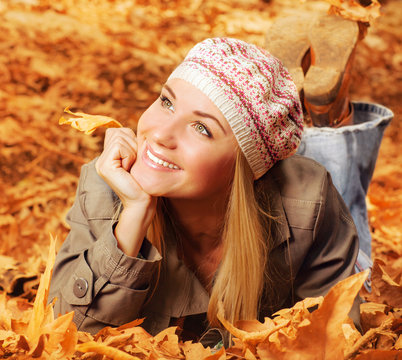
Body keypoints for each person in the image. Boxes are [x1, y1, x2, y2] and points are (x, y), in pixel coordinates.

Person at [48, 37, 360, 347]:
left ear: (244, 165)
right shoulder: (105, 185)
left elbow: (336, 338)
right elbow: (68, 338)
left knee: (351, 203)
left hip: (307, 208)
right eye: (167, 102)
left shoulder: (307, 203)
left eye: (202, 128)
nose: (159, 135)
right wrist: (133, 218)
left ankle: (328, 109)